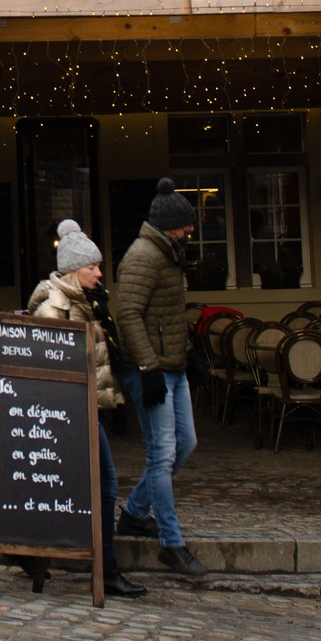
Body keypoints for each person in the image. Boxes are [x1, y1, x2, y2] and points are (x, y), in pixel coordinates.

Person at [30, 220, 144, 599]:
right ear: (74, 270)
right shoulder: (55, 308)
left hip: (87, 409)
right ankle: (103, 567)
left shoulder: (91, 304)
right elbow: (47, 370)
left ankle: (98, 564)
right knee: (103, 483)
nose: (99, 272)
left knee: (98, 484)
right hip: (69, 413)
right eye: (92, 266)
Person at [112, 178, 206, 576]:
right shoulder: (142, 257)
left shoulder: (167, 253)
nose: (190, 231)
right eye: (186, 224)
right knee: (162, 453)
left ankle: (134, 512)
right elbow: (128, 314)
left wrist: (186, 353)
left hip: (172, 365)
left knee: (186, 443)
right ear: (170, 225)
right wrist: (149, 367)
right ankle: (171, 542)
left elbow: (166, 314)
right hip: (151, 370)